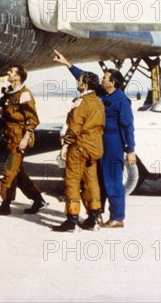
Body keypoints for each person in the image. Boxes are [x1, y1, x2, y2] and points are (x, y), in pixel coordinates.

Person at [53, 50, 136, 228]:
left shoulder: (122, 100)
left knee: (113, 180)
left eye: (105, 78)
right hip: (97, 143)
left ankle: (118, 217)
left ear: (112, 83)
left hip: (114, 144)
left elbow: (128, 126)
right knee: (96, 180)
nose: (102, 80)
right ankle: (96, 215)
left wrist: (130, 150)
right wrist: (67, 63)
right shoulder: (101, 94)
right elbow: (85, 79)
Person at [0, 65, 48, 215]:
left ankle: (5, 204)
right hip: (10, 138)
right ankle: (38, 200)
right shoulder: (9, 94)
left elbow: (33, 120)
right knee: (18, 172)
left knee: (9, 170)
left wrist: (26, 138)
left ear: (17, 77)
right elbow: (4, 116)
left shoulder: (25, 94)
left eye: (11, 72)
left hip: (19, 139)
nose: (8, 73)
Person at [52, 71, 105, 232]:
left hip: (79, 146)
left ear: (85, 85)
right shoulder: (98, 102)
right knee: (92, 181)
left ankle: (72, 220)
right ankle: (93, 218)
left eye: (79, 81)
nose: (77, 83)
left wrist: (66, 145)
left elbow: (74, 126)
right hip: (94, 146)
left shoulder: (81, 102)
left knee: (72, 181)